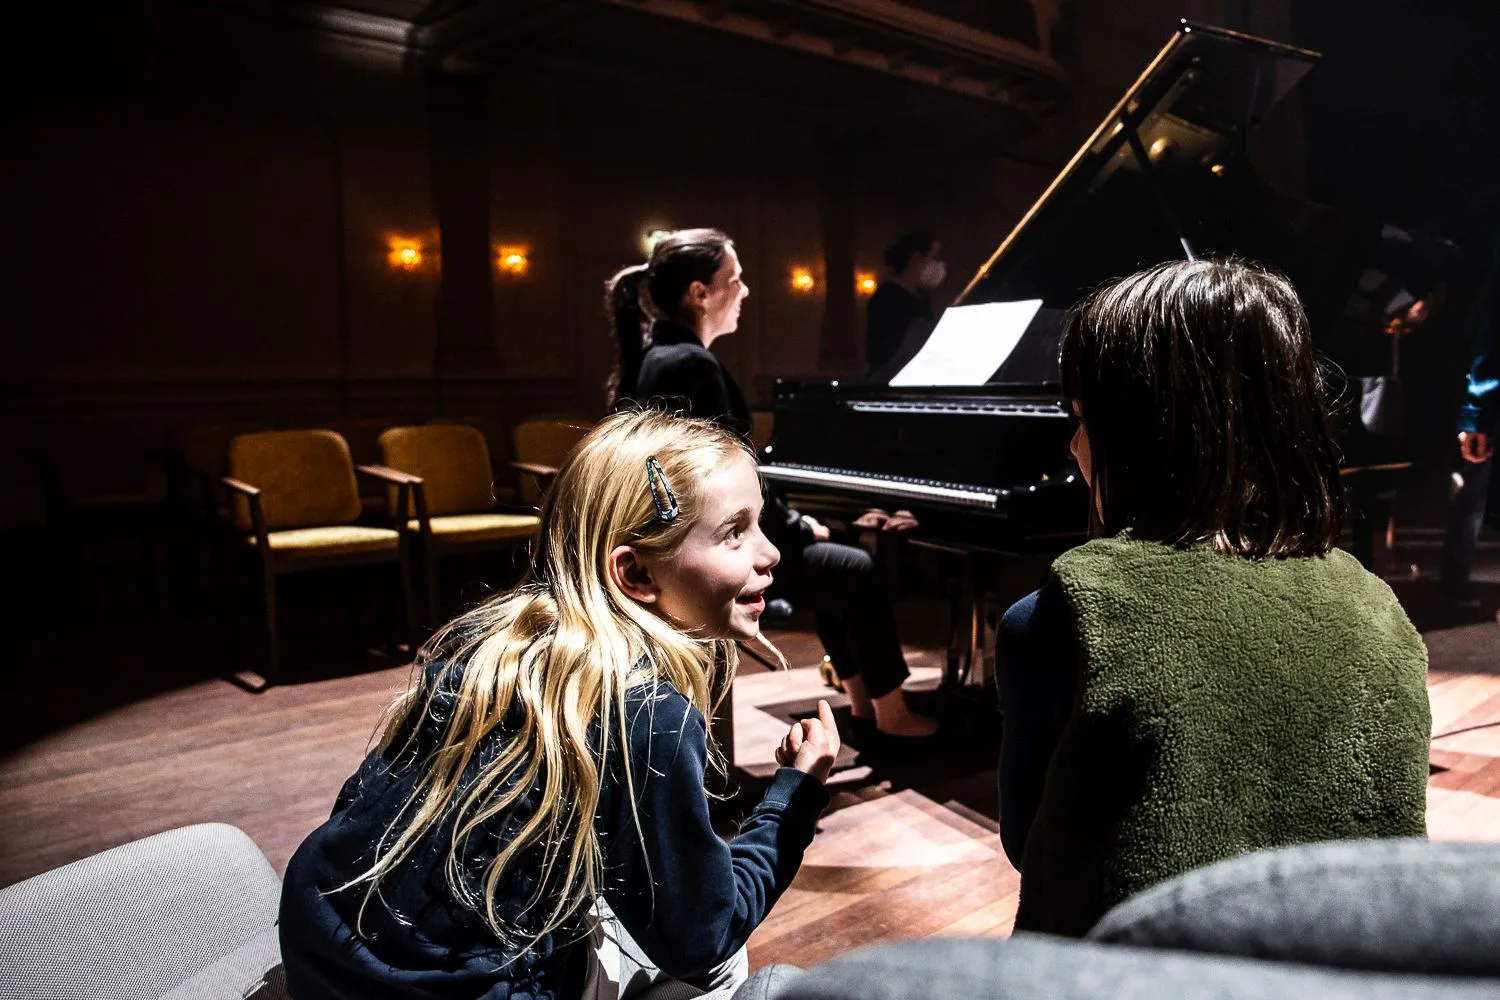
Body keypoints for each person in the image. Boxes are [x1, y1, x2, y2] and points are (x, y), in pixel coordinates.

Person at [279, 410, 841, 1000]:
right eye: (735, 531)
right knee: (724, 959)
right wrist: (793, 793)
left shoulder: (490, 641)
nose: (770, 551)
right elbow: (702, 936)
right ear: (636, 575)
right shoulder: (649, 712)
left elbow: (359, 801)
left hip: (318, 945)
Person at [996, 258, 1432, 938]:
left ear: (1142, 434)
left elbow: (1032, 846)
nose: (1075, 445)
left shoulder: (1059, 614)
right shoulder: (1383, 613)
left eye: (1084, 417)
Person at [605, 228, 937, 741]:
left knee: (838, 561)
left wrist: (795, 524)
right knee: (858, 567)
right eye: (735, 280)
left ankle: (864, 705)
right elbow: (727, 486)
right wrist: (796, 526)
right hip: (710, 554)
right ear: (699, 293)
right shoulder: (690, 364)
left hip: (689, 544)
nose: (745, 291)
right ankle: (891, 711)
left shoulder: (661, 357)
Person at [1441, 238, 1499, 606]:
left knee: (1474, 491)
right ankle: (1453, 585)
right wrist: (1474, 413)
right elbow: (1491, 331)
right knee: (1474, 489)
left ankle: (1454, 584)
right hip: (1491, 396)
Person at [864, 231, 945, 379]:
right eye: (934, 257)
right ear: (916, 259)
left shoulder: (921, 298)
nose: (939, 265)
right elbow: (889, 353)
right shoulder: (888, 297)